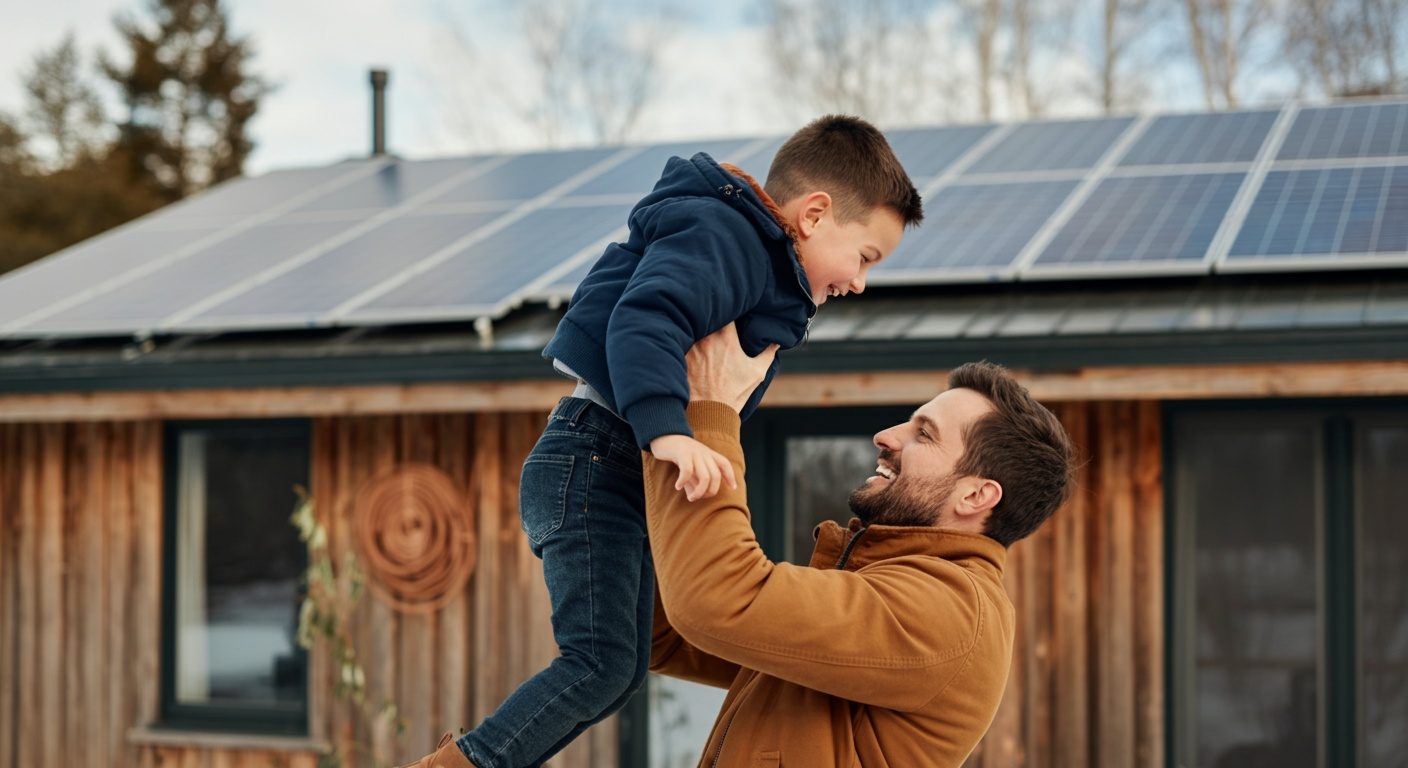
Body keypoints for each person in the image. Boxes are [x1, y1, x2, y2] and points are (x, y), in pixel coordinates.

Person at [399, 116, 923, 768]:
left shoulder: (758, 259)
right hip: (596, 457)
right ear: (814, 214)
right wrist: (670, 430)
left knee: (622, 662)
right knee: (600, 663)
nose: (860, 281)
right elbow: (645, 317)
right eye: (865, 257)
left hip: (613, 460)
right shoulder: (728, 237)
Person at [645, 325, 1077, 767]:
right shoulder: (888, 588)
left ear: (975, 496)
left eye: (923, 434)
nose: (886, 436)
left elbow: (718, 600)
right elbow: (665, 636)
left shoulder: (949, 612)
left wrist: (704, 413)